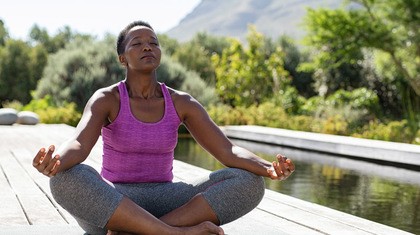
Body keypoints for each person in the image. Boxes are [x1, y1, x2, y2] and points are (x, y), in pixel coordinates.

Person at [32, 20, 295, 235]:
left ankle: (140, 231)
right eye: (137, 44)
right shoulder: (107, 99)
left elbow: (228, 151)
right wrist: (56, 162)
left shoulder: (182, 103)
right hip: (114, 203)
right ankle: (174, 233)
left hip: (168, 200)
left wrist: (267, 168)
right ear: (122, 58)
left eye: (153, 43)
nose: (148, 47)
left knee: (248, 181)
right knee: (65, 178)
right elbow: (78, 144)